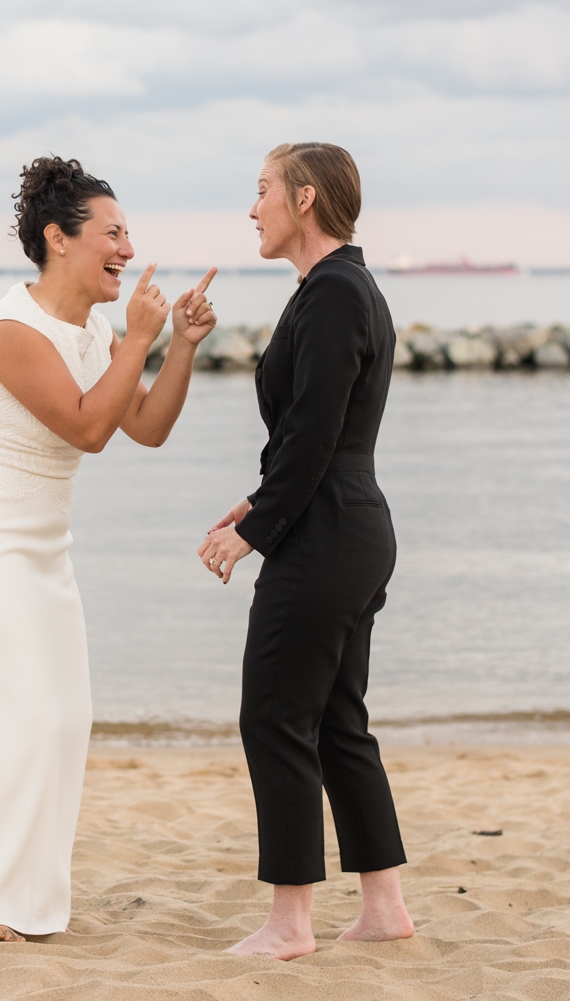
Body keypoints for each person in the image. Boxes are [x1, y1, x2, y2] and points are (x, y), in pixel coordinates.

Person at [0, 156, 218, 942]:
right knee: (12, 712)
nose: (126, 247)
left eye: (127, 233)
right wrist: (137, 339)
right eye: (112, 233)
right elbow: (85, 427)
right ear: (58, 238)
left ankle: (16, 890)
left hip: (41, 544)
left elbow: (143, 427)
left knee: (61, 714)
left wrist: (176, 344)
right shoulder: (12, 329)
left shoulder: (95, 327)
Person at [197, 142, 414, 960]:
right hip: (347, 524)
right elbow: (313, 434)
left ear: (306, 199)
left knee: (275, 716)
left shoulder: (332, 294)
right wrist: (256, 503)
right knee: (336, 722)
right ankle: (384, 907)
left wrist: (252, 531)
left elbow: (317, 434)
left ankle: (290, 922)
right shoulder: (337, 287)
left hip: (327, 534)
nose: (252, 209)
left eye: (261, 192)